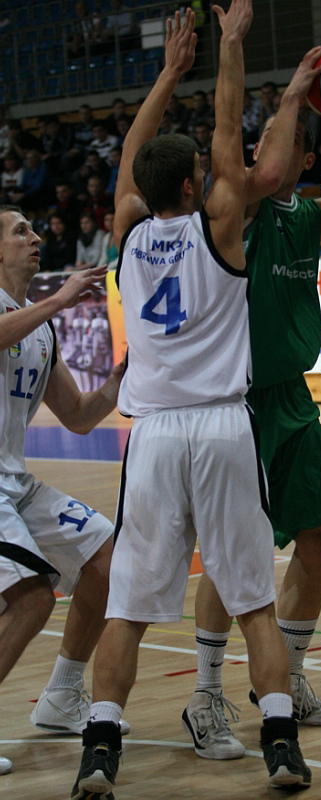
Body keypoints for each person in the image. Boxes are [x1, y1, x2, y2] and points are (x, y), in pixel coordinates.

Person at [69, 5, 313, 796]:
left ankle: (100, 749)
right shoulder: (221, 226)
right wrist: (228, 47)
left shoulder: (128, 234)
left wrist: (167, 71)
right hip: (221, 428)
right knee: (253, 603)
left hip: (154, 435)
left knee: (129, 610)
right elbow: (227, 132)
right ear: (191, 184)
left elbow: (131, 159)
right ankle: (281, 744)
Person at [184, 53, 321, 757]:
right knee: (232, 552)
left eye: (282, 145)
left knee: (319, 536)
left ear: (306, 158)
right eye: (262, 147)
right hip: (236, 401)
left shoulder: (311, 217)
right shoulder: (236, 208)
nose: (265, 155)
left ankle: (289, 677)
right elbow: (258, 168)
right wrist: (293, 96)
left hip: (293, 399)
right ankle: (204, 696)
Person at [0, 205, 127, 777]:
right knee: (32, 599)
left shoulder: (40, 326)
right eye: (19, 231)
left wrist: (118, 381)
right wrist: (57, 301)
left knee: (107, 558)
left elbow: (76, 416)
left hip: (15, 482)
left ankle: (60, 694)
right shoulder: (33, 314)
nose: (35, 237)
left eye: (33, 228)